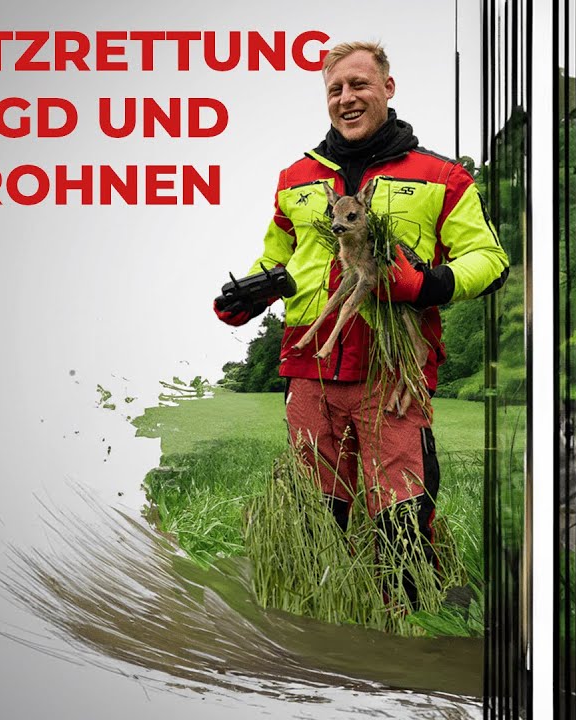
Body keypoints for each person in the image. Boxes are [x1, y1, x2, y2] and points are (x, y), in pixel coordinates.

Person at [213, 40, 509, 602]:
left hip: (393, 370)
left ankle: (409, 628)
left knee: (401, 506)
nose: (346, 99)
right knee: (313, 506)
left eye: (359, 85)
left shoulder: (440, 175)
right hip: (310, 368)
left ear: (387, 89)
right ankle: (319, 617)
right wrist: (249, 293)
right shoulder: (295, 176)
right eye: (335, 90)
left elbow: (489, 261)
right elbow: (279, 257)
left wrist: (426, 283)